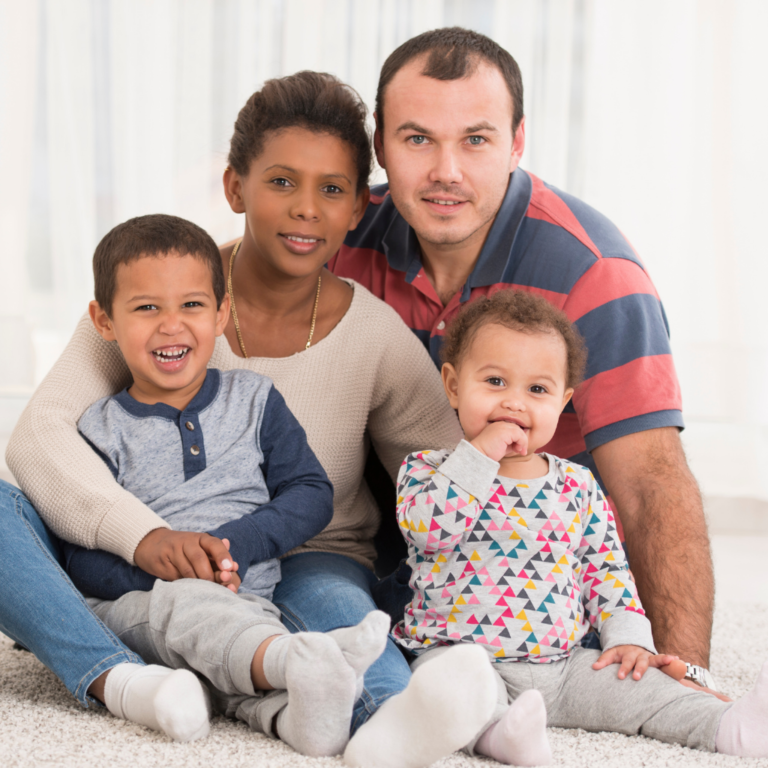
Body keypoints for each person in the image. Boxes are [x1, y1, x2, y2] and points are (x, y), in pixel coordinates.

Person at [4, 71, 491, 766]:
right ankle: (118, 675)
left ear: (358, 206)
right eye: (281, 182)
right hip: (147, 564)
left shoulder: (377, 337)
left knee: (346, 622)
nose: (305, 210)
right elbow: (39, 436)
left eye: (331, 190)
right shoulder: (157, 293)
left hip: (312, 552)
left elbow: (443, 478)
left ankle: (393, 719)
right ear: (235, 188)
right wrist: (147, 541)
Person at [328, 27, 715, 680]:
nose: (445, 171)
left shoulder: (595, 273)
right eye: (417, 138)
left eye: (476, 140)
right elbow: (224, 285)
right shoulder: (341, 237)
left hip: (533, 566)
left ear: (516, 143)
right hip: (392, 537)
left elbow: (651, 488)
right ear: (381, 148)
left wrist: (686, 673)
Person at [345, 289, 767, 768]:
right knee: (451, 696)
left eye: (537, 390)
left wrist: (629, 638)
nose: (515, 403)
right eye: (496, 381)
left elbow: (606, 570)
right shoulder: (429, 469)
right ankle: (503, 736)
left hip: (565, 666)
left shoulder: (578, 486)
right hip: (459, 654)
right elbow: (427, 530)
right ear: (454, 385)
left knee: (646, 690)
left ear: (564, 400)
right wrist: (480, 456)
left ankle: (732, 727)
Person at [60, 211, 398, 757]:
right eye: (147, 308)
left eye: (191, 305)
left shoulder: (254, 399)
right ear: (104, 321)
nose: (172, 325)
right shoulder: (99, 428)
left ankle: (304, 721)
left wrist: (231, 547)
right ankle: (298, 658)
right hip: (143, 610)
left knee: (239, 674)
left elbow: (311, 492)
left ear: (220, 314)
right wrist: (165, 567)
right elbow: (78, 555)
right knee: (193, 609)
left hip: (247, 600)